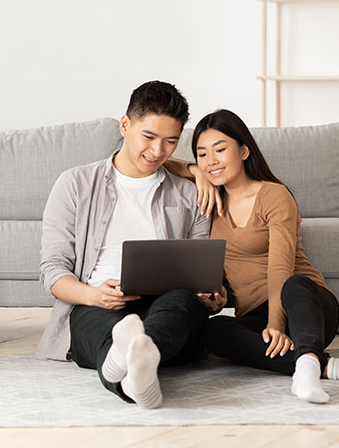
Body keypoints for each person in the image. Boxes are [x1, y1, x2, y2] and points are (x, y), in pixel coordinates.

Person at [171, 109, 339, 404]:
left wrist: (275, 324)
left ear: (244, 150)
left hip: (307, 306)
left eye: (220, 150)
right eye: (203, 154)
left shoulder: (274, 195)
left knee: (294, 284)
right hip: (254, 315)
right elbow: (160, 163)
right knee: (213, 330)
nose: (212, 161)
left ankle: (309, 362)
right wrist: (195, 171)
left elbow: (280, 266)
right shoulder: (210, 201)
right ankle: (330, 367)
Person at [35, 81, 217, 409]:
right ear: (125, 125)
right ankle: (135, 372)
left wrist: (212, 293)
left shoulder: (189, 194)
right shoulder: (75, 184)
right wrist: (93, 295)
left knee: (181, 302)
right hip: (96, 303)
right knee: (104, 330)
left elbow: (200, 268)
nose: (158, 151)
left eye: (171, 141)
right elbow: (52, 269)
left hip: (167, 304)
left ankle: (133, 355)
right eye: (149, 137)